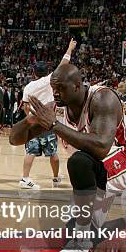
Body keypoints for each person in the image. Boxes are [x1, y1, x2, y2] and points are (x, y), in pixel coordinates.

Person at [10, 64, 126, 252]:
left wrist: (54, 125)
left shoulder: (103, 98)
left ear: (78, 86)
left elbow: (100, 147)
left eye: (61, 88)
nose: (55, 93)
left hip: (123, 161)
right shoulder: (58, 107)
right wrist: (30, 120)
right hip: (95, 166)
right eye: (53, 88)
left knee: (79, 162)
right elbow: (14, 139)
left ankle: (81, 250)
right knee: (73, 229)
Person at [19, 39, 76, 189]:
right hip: (47, 122)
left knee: (30, 151)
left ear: (33, 72)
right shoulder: (49, 80)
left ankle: (25, 178)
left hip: (33, 122)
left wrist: (29, 120)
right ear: (47, 71)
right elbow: (63, 64)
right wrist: (69, 48)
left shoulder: (28, 87)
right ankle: (56, 178)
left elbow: (25, 106)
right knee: (53, 154)